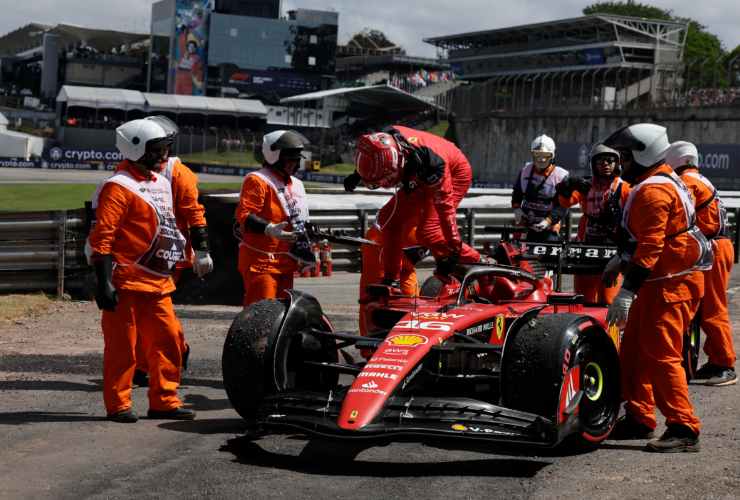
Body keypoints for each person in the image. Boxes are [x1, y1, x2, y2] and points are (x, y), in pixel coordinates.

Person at [603, 123, 712, 452]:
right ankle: (639, 417)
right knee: (634, 349)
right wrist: (622, 260)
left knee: (663, 356)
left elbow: (650, 246)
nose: (620, 164)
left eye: (624, 157)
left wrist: (626, 291)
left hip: (671, 285)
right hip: (660, 281)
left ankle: (683, 426)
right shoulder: (658, 180)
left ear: (642, 154)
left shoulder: (653, 190)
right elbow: (649, 239)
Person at [88, 118, 195, 423]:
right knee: (123, 348)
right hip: (125, 281)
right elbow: (103, 238)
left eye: (165, 150)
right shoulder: (118, 187)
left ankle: (164, 400)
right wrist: (104, 282)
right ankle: (119, 405)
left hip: (158, 282)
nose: (164, 157)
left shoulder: (161, 182)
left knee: (170, 340)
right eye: (157, 151)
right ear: (135, 150)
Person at [131, 115, 213, 387]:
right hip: (139, 253)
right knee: (141, 313)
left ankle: (163, 357)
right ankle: (146, 362)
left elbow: (194, 214)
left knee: (155, 311)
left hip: (170, 256)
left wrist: (202, 250)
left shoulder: (179, 173)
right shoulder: (136, 168)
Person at [350, 125, 481, 283]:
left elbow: (445, 210)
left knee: (429, 232)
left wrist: (453, 246)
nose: (384, 184)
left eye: (384, 180)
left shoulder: (433, 165)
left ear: (396, 166)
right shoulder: (383, 141)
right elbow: (373, 155)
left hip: (453, 172)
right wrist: (359, 173)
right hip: (420, 173)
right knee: (388, 221)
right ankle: (392, 280)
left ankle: (478, 261)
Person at [666, 141, 736, 386]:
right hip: (717, 245)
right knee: (709, 308)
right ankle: (717, 360)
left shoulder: (689, 182)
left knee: (713, 308)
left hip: (713, 247)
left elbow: (677, 213)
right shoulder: (700, 179)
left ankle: (725, 364)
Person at [235, 130, 313, 306]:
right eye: (290, 159)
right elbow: (245, 216)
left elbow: (300, 221)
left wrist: (306, 253)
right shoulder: (257, 180)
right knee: (262, 315)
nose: (294, 163)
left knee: (282, 317)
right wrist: (269, 228)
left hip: (286, 262)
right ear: (274, 155)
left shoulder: (297, 185)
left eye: (296, 159)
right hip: (261, 262)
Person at [555, 144, 629, 305]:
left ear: (617, 164)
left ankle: (612, 330)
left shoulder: (625, 188)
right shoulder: (585, 185)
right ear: (593, 164)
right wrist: (565, 186)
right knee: (583, 300)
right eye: (601, 161)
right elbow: (565, 202)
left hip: (612, 252)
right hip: (585, 249)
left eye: (610, 161)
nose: (606, 164)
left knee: (609, 300)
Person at [357, 192, 422, 337]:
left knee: (413, 301)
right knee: (377, 298)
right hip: (382, 244)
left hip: (409, 248)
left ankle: (413, 345)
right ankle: (371, 351)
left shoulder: (444, 192)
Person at [511, 134, 569, 242]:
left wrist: (548, 221)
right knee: (518, 253)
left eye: (545, 155)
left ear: (552, 156)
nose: (541, 159)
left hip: (549, 225)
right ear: (533, 155)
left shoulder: (561, 176)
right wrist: (517, 208)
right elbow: (517, 193)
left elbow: (562, 206)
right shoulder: (525, 171)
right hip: (526, 224)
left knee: (548, 254)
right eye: (538, 155)